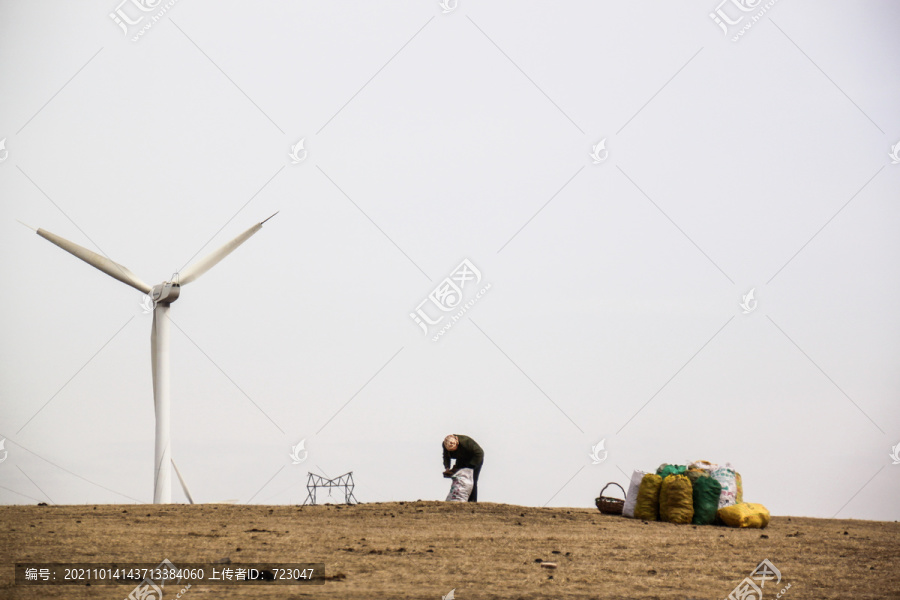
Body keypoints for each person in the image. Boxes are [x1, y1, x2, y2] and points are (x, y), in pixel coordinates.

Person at [442, 434, 484, 502]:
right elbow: (446, 456)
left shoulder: (466, 442)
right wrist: (447, 468)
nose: (453, 452)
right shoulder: (445, 444)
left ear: (457, 444)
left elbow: (480, 453)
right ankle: (456, 499)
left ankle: (472, 501)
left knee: (471, 480)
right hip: (461, 459)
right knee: (458, 478)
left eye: (454, 450)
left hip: (474, 459)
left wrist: (470, 467)